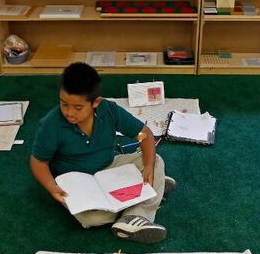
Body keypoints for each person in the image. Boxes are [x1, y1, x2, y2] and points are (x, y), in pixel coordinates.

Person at [30, 62, 175, 243]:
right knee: (91, 219)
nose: (68, 112)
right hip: (77, 181)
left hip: (109, 167)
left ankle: (133, 216)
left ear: (96, 103)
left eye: (78, 107)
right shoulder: (51, 124)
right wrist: (52, 187)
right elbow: (39, 162)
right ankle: (149, 191)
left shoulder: (109, 110)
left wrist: (147, 166)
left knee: (155, 161)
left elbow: (143, 135)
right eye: (64, 104)